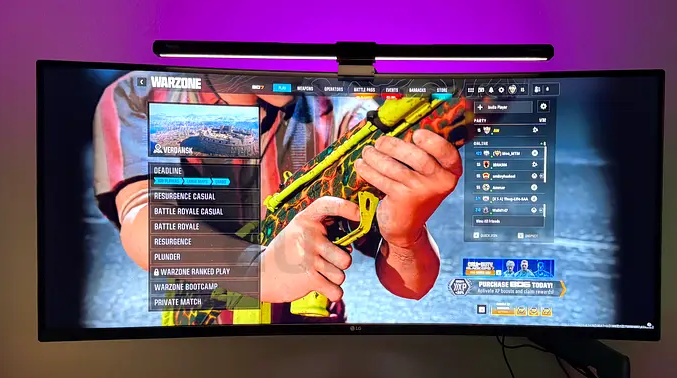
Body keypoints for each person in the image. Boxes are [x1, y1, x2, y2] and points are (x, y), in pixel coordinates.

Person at [93, 70, 462, 324]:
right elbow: (143, 216)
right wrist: (258, 270)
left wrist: (405, 234)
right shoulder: (148, 95)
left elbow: (412, 285)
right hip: (196, 347)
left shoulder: (343, 117)